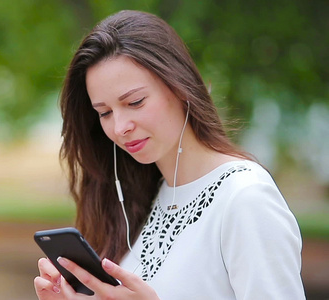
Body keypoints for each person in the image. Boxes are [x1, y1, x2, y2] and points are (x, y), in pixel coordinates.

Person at [34, 10, 305, 300]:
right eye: (105, 112)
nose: (120, 127)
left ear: (179, 87)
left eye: (135, 102)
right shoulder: (143, 197)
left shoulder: (245, 198)